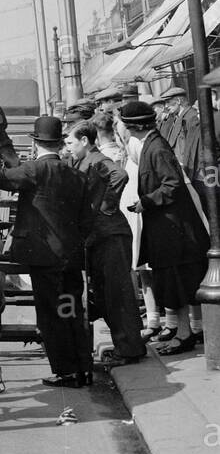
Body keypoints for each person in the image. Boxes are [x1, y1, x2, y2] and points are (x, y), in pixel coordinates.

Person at [0, 116, 92, 389]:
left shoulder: (34, 170)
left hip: (43, 256)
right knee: (71, 309)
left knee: (51, 314)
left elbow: (1, 179)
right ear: (60, 144)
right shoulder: (77, 175)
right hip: (70, 256)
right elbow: (85, 219)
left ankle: (66, 371)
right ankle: (83, 368)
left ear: (35, 144)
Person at [119, 99, 209, 355]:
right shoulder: (151, 144)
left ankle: (184, 335)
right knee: (174, 284)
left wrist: (145, 202)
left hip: (174, 231)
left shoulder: (156, 149)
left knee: (177, 283)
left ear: (132, 127)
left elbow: (172, 185)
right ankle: (184, 332)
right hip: (168, 229)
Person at [65, 121, 144, 368]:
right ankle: (125, 346)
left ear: (85, 141)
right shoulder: (82, 161)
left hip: (111, 235)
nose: (68, 148)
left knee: (116, 294)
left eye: (70, 143)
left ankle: (130, 349)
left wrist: (107, 207)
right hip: (100, 236)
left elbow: (120, 174)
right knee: (105, 294)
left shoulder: (97, 159)